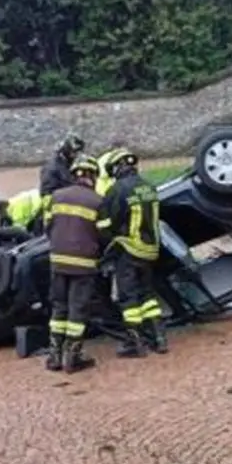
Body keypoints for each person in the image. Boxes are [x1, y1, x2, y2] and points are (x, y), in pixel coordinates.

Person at [98, 148, 168, 356]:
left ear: (118, 167)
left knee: (128, 299)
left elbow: (105, 224)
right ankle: (159, 338)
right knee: (147, 294)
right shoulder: (149, 186)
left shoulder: (117, 190)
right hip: (150, 251)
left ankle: (135, 344)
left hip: (129, 250)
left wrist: (106, 248)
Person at [45, 155, 104, 373]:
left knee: (59, 308)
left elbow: (48, 227)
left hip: (58, 262)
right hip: (84, 264)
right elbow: (104, 234)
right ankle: (72, 358)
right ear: (93, 176)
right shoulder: (98, 201)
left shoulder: (57, 196)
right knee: (77, 312)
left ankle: (54, 357)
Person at [39, 134, 86, 217]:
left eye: (78, 152)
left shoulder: (70, 166)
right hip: (56, 212)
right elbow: (46, 195)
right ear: (67, 151)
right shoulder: (52, 168)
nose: (76, 156)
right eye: (74, 152)